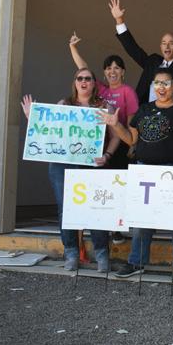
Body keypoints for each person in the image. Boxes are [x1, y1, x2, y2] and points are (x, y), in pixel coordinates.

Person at [100, 69, 173, 283]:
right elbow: (131, 140)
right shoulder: (144, 109)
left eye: (166, 83)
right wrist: (115, 125)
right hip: (145, 172)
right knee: (141, 220)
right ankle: (136, 262)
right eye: (157, 83)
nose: (161, 87)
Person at [21, 68, 121, 272]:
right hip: (62, 165)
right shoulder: (64, 105)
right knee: (66, 209)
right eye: (79, 78)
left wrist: (107, 156)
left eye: (88, 78)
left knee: (96, 208)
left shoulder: (104, 107)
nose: (84, 81)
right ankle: (71, 254)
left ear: (94, 83)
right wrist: (32, 118)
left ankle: (102, 255)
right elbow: (48, 131)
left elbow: (116, 136)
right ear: (74, 82)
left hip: (92, 164)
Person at [110, 0, 173, 108]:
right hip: (148, 112)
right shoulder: (153, 62)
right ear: (160, 46)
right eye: (164, 43)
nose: (167, 46)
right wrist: (119, 20)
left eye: (171, 43)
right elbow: (134, 50)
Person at [68, 33, 139, 170]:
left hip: (121, 143)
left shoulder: (128, 91)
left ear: (123, 72)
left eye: (116, 68)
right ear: (104, 73)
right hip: (101, 142)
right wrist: (73, 47)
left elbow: (132, 122)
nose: (112, 71)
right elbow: (83, 69)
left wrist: (132, 144)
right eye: (108, 68)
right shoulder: (101, 89)